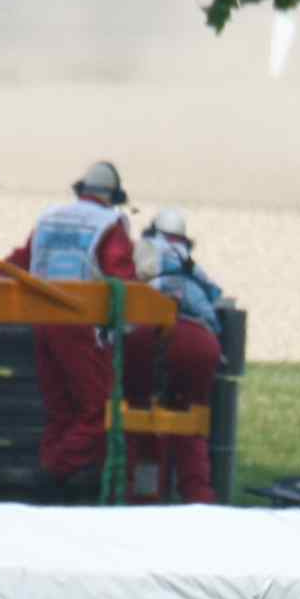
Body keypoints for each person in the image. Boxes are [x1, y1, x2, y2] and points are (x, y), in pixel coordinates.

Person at [12, 158, 138, 499]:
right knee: (97, 413)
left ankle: (54, 484)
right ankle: (52, 475)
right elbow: (121, 276)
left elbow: (19, 263)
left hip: (43, 322)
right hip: (82, 326)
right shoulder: (109, 223)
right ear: (112, 196)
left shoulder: (48, 218)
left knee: (60, 411)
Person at [125, 206, 230, 505]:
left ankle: (144, 497)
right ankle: (198, 498)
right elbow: (214, 297)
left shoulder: (144, 251)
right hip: (200, 342)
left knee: (140, 416)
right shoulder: (192, 266)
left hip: (147, 335)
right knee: (191, 421)